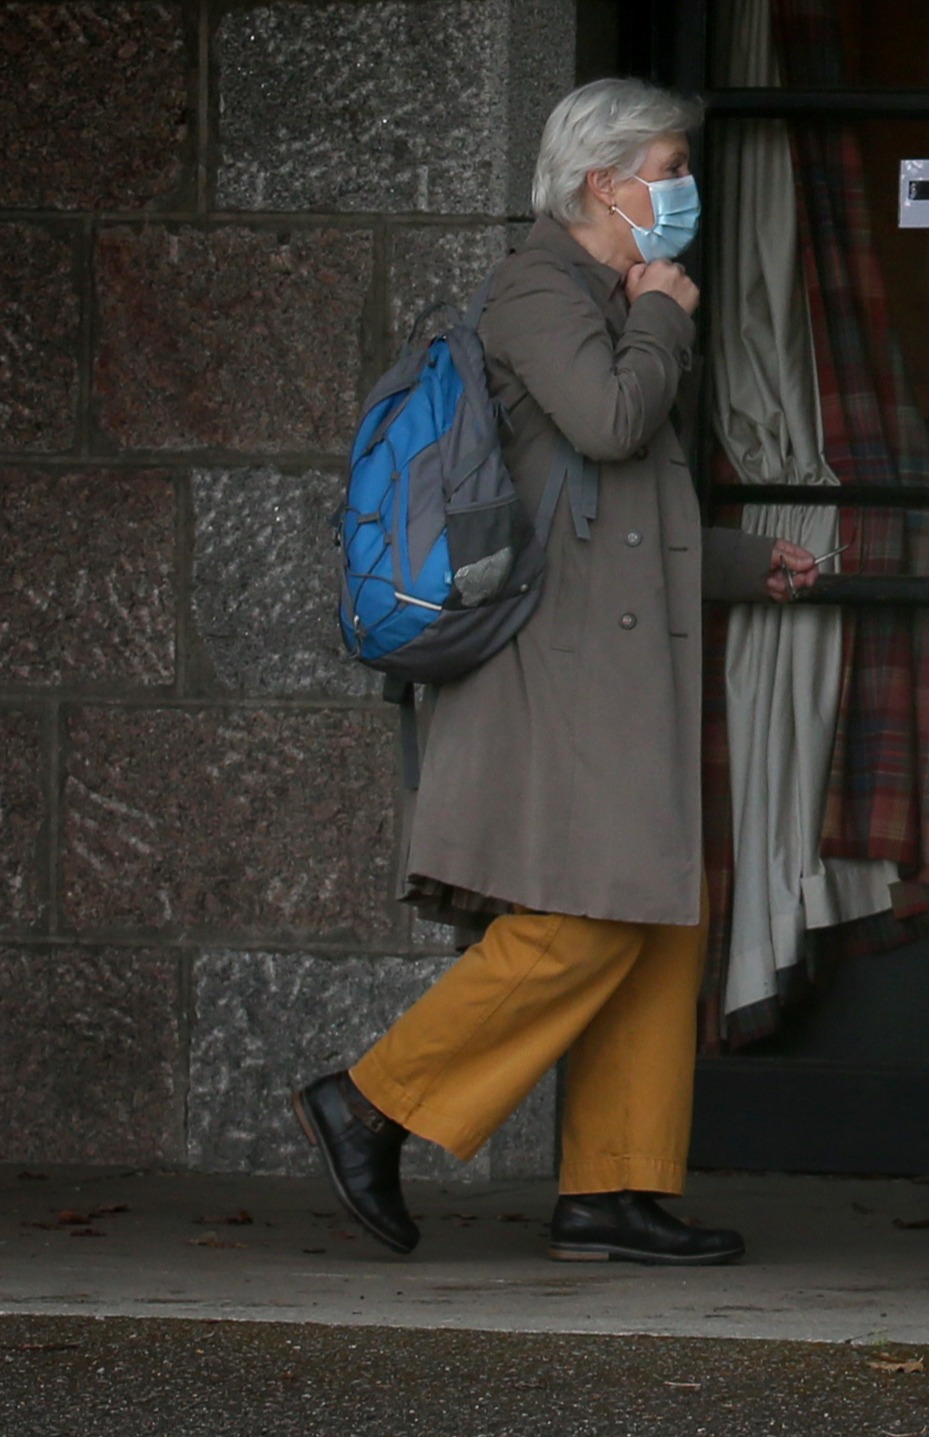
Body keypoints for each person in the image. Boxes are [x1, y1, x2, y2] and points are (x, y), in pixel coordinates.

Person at [292, 79, 821, 1266]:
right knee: (583, 918)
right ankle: (370, 1101)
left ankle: (614, 1189)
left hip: (609, 662)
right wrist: (664, 315)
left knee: (654, 915)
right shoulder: (542, 288)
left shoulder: (600, 296)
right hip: (559, 673)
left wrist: (744, 561)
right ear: (604, 181)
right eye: (670, 169)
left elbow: (607, 516)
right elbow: (611, 422)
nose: (684, 191)